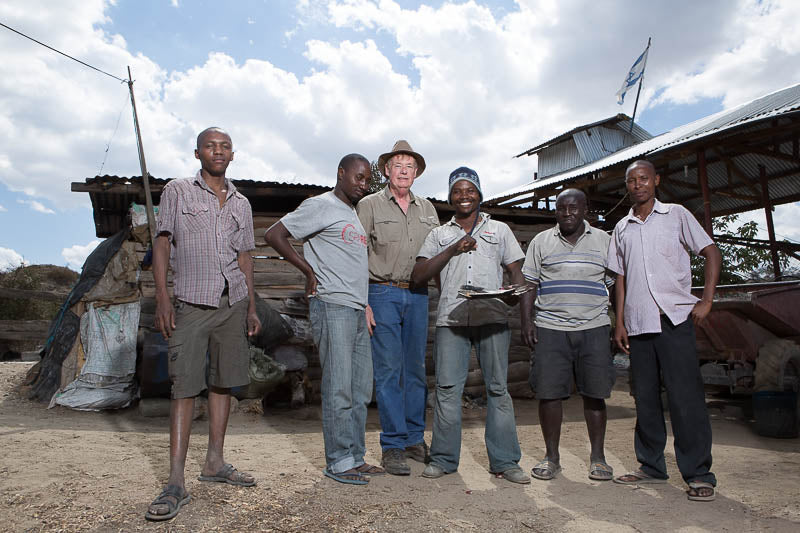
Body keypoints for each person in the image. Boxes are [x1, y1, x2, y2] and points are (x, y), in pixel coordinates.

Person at [146, 127, 261, 522]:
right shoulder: (177, 190)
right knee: (184, 386)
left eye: (225, 146)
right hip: (192, 301)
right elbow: (162, 242)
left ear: (233, 155)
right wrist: (162, 296)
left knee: (223, 381)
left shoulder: (242, 203)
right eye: (210, 146)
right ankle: (175, 481)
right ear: (198, 153)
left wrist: (251, 307)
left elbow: (245, 257)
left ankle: (214, 462)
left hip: (234, 302)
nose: (218, 151)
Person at [264, 154, 385, 485]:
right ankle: (338, 461)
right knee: (339, 386)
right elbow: (274, 235)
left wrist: (365, 303)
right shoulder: (320, 205)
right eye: (358, 177)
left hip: (357, 308)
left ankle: (355, 457)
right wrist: (307, 270)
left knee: (360, 388)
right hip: (332, 305)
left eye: (367, 180)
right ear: (341, 173)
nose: (362, 184)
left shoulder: (352, 214)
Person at [608, 160, 721, 502]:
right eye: (632, 180)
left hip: (674, 319)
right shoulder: (622, 227)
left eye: (644, 178)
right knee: (644, 399)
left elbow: (711, 251)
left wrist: (707, 300)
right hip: (640, 323)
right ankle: (652, 466)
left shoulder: (676, 215)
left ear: (656, 180)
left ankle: (699, 473)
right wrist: (620, 321)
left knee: (685, 399)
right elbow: (621, 277)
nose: (638, 184)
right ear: (627, 186)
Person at [411, 167, 530, 484]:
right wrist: (453, 248)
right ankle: (443, 459)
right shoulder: (440, 234)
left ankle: (505, 461)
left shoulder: (500, 230)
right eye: (457, 191)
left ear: (480, 193)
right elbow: (419, 275)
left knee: (497, 388)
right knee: (448, 390)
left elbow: (516, 271)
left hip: (492, 317)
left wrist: (515, 294)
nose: (464, 195)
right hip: (452, 318)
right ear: (450, 197)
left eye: (470, 190)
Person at [520, 189, 615, 482]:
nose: (568, 213)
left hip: (594, 326)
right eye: (562, 209)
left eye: (574, 208)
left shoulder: (604, 241)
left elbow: (615, 283)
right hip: (551, 327)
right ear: (556, 212)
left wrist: (618, 320)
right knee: (548, 394)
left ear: (585, 209)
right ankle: (552, 457)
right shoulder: (542, 241)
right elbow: (529, 283)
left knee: (595, 393)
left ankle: (598, 458)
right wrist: (527, 321)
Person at [356, 140, 439, 475]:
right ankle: (392, 445)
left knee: (416, 370)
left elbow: (437, 256)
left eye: (409, 166)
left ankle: (414, 438)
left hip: (419, 295)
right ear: (386, 170)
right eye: (397, 165)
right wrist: (362, 301)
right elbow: (355, 254)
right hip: (382, 293)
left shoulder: (429, 209)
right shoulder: (369, 205)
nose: (403, 171)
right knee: (389, 371)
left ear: (416, 173)